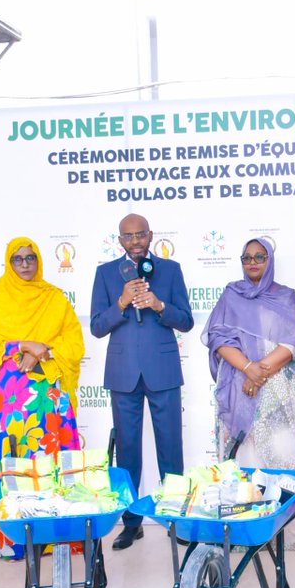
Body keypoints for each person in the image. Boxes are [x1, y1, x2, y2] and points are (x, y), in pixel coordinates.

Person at [0, 237, 85, 559]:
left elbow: (74, 344)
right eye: (17, 259)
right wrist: (21, 345)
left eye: (30, 258)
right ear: (9, 262)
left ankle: (56, 538)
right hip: (4, 409)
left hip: (47, 407)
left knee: (47, 468)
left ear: (38, 261)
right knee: (9, 468)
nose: (24, 264)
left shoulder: (54, 299)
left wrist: (43, 352)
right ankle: (10, 541)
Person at [203, 238, 295, 549]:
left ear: (270, 261)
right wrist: (247, 368)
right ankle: (245, 528)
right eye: (247, 257)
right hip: (239, 386)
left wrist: (260, 370)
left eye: (260, 257)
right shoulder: (231, 295)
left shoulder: (285, 297)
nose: (253, 262)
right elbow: (217, 336)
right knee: (244, 455)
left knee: (282, 455)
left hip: (276, 389)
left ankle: (288, 530)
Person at [91, 213, 194, 550]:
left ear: (150, 236)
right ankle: (131, 522)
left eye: (140, 235)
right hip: (123, 375)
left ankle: (175, 518)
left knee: (171, 450)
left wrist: (159, 305)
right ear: (119, 240)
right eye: (127, 236)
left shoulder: (171, 270)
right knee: (128, 453)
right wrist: (121, 302)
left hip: (162, 371)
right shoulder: (106, 274)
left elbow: (186, 321)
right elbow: (97, 326)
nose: (134, 241)